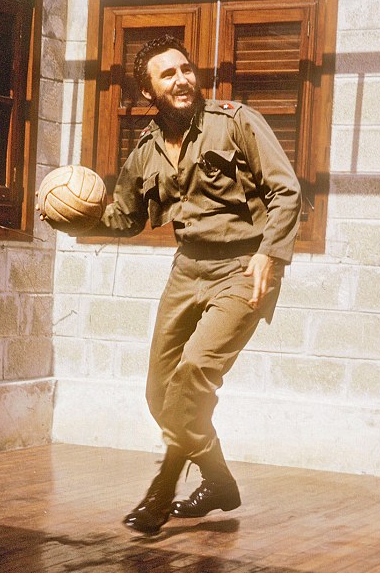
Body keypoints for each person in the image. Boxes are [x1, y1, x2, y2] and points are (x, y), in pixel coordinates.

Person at [93, 34, 301, 535]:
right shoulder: (144, 150)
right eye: (168, 75)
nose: (183, 79)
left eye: (186, 69)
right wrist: (73, 217)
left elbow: (286, 190)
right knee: (159, 391)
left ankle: (162, 490)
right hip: (188, 269)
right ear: (149, 93)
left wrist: (270, 255)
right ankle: (219, 480)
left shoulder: (235, 121)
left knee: (192, 376)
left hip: (243, 267)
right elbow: (125, 218)